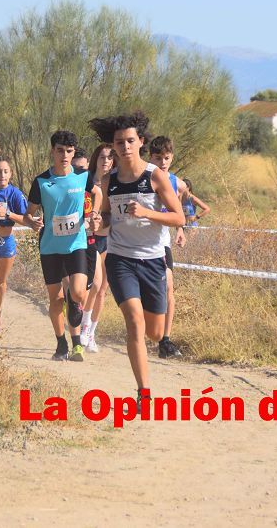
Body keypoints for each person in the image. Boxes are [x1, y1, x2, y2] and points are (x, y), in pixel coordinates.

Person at [88, 111, 184, 401]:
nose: (125, 146)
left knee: (154, 332)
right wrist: (97, 223)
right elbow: (105, 219)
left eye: (130, 140)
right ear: (113, 146)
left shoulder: (155, 177)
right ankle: (144, 392)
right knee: (133, 320)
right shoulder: (110, 181)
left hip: (153, 259)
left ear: (141, 142)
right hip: (120, 259)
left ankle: (151, 336)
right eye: (119, 142)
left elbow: (179, 218)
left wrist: (147, 213)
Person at [26, 130, 101, 362]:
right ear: (52, 151)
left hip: (76, 243)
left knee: (78, 292)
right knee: (55, 300)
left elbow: (97, 193)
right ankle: (61, 344)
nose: (65, 155)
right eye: (60, 150)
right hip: (50, 247)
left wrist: (95, 214)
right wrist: (32, 222)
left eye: (69, 151)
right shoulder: (41, 181)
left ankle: (74, 305)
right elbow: (28, 214)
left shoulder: (82, 176)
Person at [0, 153, 30, 335]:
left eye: (5, 171)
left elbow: (26, 220)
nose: (2, 175)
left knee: (2, 283)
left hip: (7, 241)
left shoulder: (15, 194)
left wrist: (7, 213)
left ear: (10, 174)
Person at [148, 136, 185, 359]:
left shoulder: (174, 182)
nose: (163, 162)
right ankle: (144, 331)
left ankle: (165, 341)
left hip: (163, 242)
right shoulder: (144, 178)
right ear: (150, 157)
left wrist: (180, 230)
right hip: (141, 243)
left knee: (169, 288)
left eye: (167, 158)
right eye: (158, 158)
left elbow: (177, 211)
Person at [81, 144, 114, 353]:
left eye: (110, 157)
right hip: (88, 238)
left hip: (110, 239)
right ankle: (83, 326)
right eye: (102, 156)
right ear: (96, 158)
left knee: (102, 290)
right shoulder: (85, 179)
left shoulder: (116, 181)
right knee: (95, 283)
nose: (106, 161)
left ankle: (92, 332)